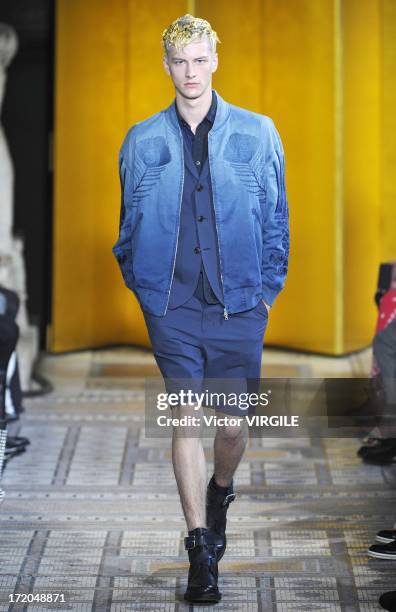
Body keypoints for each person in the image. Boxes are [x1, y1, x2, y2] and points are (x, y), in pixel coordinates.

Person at [112, 14, 289, 603]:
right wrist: (145, 292)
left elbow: (277, 221)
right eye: (178, 61)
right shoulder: (142, 139)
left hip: (240, 304)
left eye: (199, 59)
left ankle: (220, 490)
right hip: (173, 307)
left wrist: (266, 289)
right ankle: (199, 549)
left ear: (215, 59)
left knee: (233, 427)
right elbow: (127, 227)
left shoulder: (258, 132)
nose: (190, 72)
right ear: (166, 66)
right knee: (186, 417)